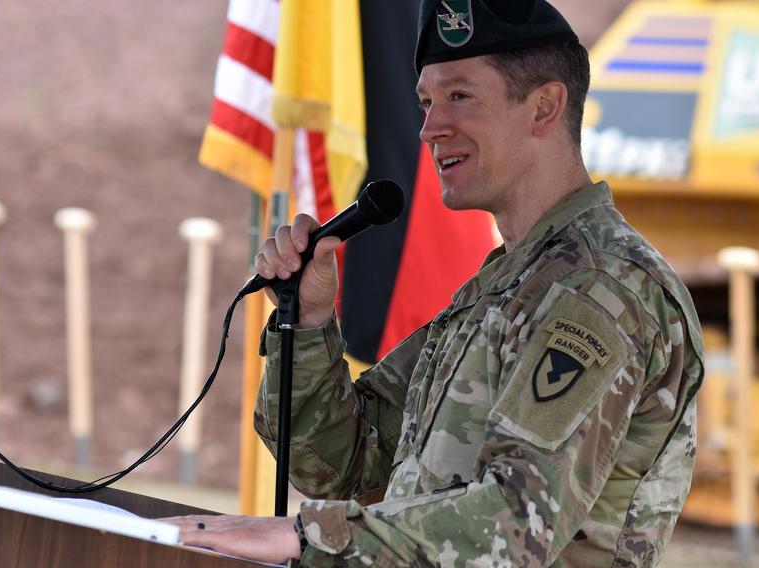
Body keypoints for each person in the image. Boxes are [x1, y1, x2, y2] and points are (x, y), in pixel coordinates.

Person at [164, 1, 704, 566]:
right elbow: (342, 464)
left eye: (460, 97)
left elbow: (519, 523)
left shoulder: (601, 287)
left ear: (544, 106)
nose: (429, 128)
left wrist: (308, 536)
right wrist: (311, 322)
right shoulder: (509, 282)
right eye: (425, 102)